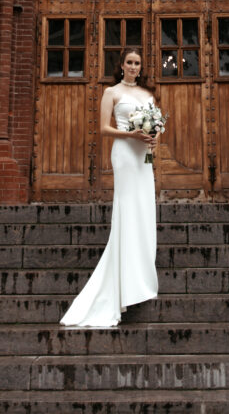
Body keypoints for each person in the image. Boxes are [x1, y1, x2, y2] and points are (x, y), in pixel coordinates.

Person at [60, 47, 159, 328]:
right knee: (127, 209)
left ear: (141, 67)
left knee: (143, 209)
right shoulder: (111, 92)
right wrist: (131, 134)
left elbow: (155, 126)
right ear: (122, 65)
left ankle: (140, 272)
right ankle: (122, 278)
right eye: (129, 62)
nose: (133, 66)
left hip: (143, 156)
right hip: (125, 154)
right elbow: (103, 128)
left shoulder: (148, 94)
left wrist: (153, 139)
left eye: (137, 63)